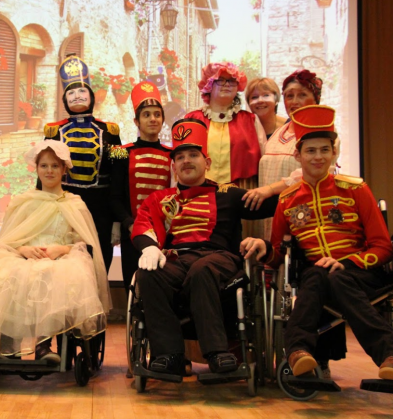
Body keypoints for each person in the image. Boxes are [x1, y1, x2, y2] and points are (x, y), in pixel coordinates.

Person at [248, 105, 393, 381]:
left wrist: (347, 262)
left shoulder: (356, 190)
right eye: (311, 150)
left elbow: (383, 247)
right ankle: (387, 353)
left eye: (325, 150)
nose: (318, 157)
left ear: (333, 153)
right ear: (297, 155)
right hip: (317, 278)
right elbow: (278, 254)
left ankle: (297, 349)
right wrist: (264, 250)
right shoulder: (287, 200)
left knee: (332, 276)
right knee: (318, 275)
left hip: (361, 274)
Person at [132, 118, 278, 376]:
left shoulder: (229, 193)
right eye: (180, 157)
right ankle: (169, 355)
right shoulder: (159, 198)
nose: (186, 161)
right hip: (177, 262)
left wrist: (278, 186)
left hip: (219, 260)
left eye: (193, 155)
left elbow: (274, 205)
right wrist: (150, 247)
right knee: (148, 274)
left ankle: (217, 352)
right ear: (173, 166)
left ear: (207, 162)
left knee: (202, 269)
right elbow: (143, 224)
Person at [0, 141, 111, 362]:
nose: (49, 171)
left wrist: (61, 249)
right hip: (25, 256)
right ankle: (8, 346)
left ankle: (43, 346)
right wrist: (23, 249)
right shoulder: (24, 202)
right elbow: (8, 239)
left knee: (48, 274)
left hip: (62, 258)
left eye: (55, 166)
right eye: (44, 166)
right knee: (8, 275)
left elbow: (84, 242)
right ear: (36, 169)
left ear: (64, 169)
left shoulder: (74, 204)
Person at [43, 55, 121, 272]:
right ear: (64, 99)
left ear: (91, 96)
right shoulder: (53, 131)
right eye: (71, 92)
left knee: (100, 259)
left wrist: (117, 220)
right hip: (64, 207)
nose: (77, 96)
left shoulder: (111, 132)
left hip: (101, 208)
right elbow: (44, 174)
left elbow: (119, 173)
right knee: (65, 262)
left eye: (82, 91)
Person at [242, 69, 341, 241]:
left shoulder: (325, 132)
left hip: (304, 215)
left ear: (315, 99)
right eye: (289, 96)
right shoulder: (279, 132)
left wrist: (269, 190)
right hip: (271, 213)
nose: (294, 101)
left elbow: (310, 175)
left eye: (302, 95)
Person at [110, 81, 173, 292]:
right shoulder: (121, 152)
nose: (153, 119)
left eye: (157, 114)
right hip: (132, 232)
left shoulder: (172, 154)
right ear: (136, 121)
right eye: (146, 115)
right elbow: (114, 196)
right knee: (133, 285)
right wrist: (129, 225)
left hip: (165, 232)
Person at [184, 62, 266, 190]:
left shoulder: (251, 120)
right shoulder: (192, 119)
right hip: (199, 192)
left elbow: (265, 160)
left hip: (241, 191)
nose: (227, 84)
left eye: (232, 81)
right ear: (209, 85)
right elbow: (180, 160)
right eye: (220, 80)